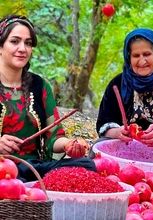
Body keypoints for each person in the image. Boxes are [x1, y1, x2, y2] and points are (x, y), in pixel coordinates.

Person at [0, 14, 96, 181]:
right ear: (1, 46)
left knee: (86, 165)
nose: (23, 48)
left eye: (28, 43)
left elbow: (55, 137)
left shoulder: (40, 86)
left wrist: (68, 145)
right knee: (13, 181)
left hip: (35, 167)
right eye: (15, 41)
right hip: (2, 169)